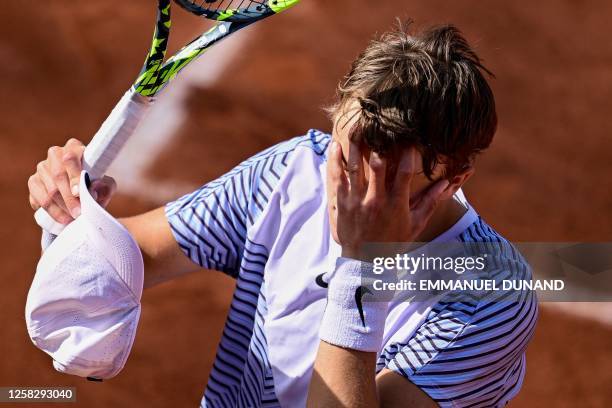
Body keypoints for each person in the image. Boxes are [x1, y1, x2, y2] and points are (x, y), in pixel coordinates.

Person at [27, 23, 538, 407]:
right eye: (346, 157)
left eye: (388, 180)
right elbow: (132, 258)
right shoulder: (294, 172)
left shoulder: (493, 298)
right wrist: (76, 218)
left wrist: (359, 266)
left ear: (455, 178)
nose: (352, 190)